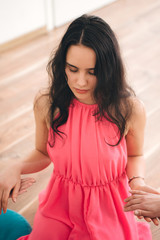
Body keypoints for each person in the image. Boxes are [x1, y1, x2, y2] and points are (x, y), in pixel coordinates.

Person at [0, 14, 158, 239]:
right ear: (61, 64)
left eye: (92, 72)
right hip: (61, 203)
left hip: (110, 207)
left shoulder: (129, 109)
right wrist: (15, 167)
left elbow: (135, 154)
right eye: (72, 69)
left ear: (108, 69)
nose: (80, 81)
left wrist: (138, 182)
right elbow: (43, 152)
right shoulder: (47, 103)